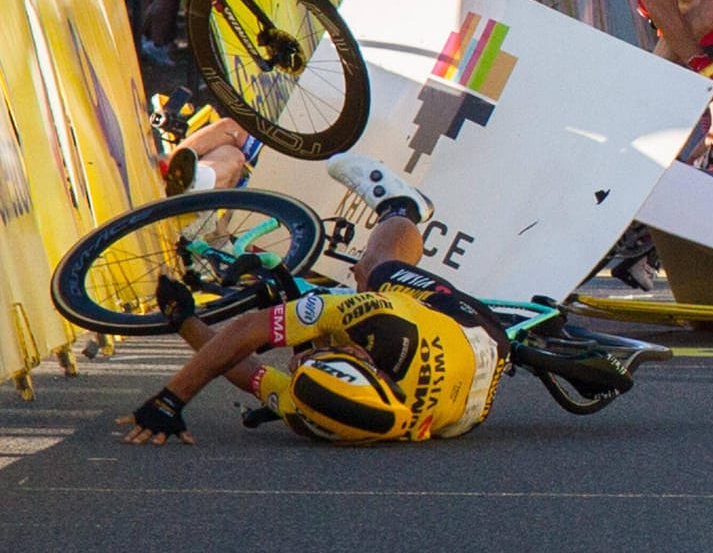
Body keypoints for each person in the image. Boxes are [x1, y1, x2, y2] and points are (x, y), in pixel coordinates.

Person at [118, 155, 508, 445]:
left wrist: (183, 320)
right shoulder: (383, 323)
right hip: (477, 333)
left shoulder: (312, 409)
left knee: (323, 320)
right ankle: (402, 208)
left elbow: (247, 370)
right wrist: (172, 398)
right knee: (376, 270)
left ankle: (398, 212)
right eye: (317, 358)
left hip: (467, 412)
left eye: (301, 366)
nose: (295, 360)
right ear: (363, 358)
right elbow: (247, 331)